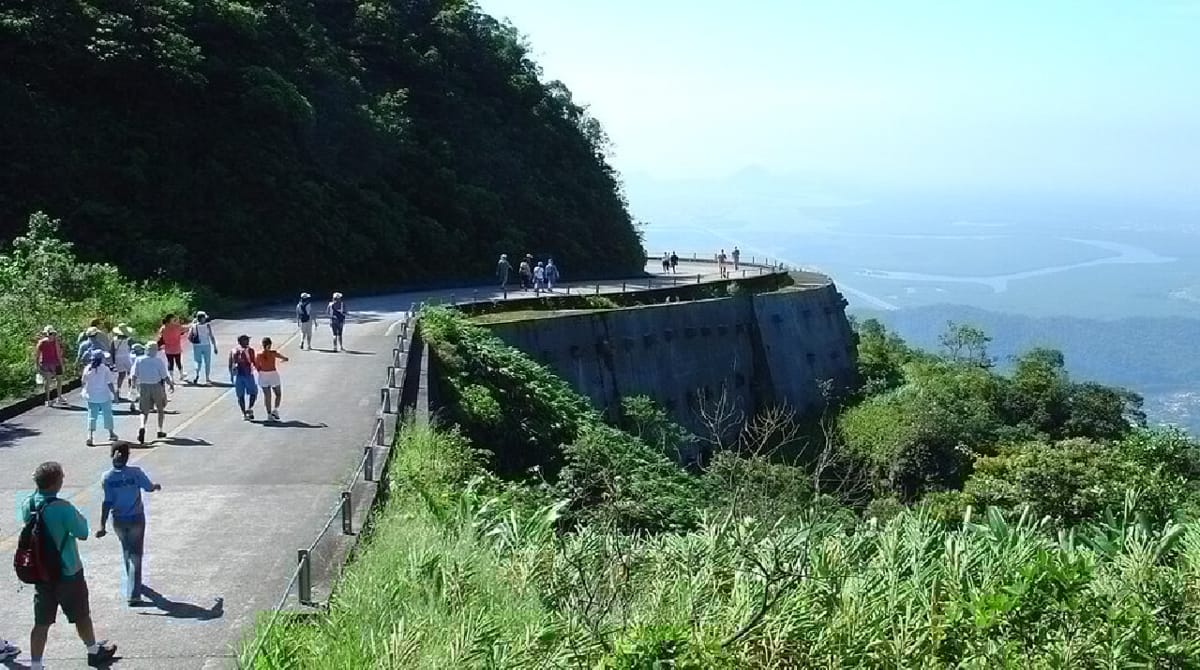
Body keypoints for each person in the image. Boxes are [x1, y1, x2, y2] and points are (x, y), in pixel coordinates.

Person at [22, 461, 119, 669]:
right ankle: (94, 652)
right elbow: (82, 532)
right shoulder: (63, 508)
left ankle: (36, 664)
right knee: (81, 615)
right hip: (68, 572)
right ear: (55, 483)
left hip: (41, 573)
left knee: (41, 622)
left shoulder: (28, 504)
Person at [97, 441, 162, 606]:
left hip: (118, 520)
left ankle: (133, 580)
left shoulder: (107, 477)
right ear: (127, 456)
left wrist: (102, 525)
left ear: (112, 455)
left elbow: (107, 502)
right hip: (136, 518)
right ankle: (134, 593)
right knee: (136, 554)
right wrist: (155, 486)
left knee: (126, 549)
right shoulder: (136, 473)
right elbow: (148, 487)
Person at [131, 341, 174, 444]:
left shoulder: (139, 360)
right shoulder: (158, 361)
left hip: (143, 386)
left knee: (143, 411)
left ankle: (142, 426)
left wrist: (133, 386)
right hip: (156, 386)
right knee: (160, 408)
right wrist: (170, 384)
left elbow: (134, 375)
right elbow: (164, 376)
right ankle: (160, 430)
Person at [81, 350, 119, 447]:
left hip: (91, 396)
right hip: (104, 395)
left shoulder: (88, 368)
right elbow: (109, 383)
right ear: (101, 359)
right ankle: (111, 433)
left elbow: (83, 381)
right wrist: (114, 394)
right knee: (107, 414)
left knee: (92, 416)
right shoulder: (105, 369)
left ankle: (90, 436)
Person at [256, 337, 289, 421]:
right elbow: (285, 358)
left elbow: (256, 365)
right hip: (273, 375)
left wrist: (260, 370)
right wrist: (284, 360)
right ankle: (275, 410)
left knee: (267, 396)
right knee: (278, 394)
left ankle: (269, 414)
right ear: (269, 345)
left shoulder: (259, 354)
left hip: (263, 375)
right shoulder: (273, 353)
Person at [34, 326, 66, 407]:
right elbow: (58, 354)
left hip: (44, 364)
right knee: (59, 380)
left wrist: (37, 365)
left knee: (47, 382)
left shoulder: (41, 342)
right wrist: (62, 364)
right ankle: (59, 397)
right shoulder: (55, 341)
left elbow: (37, 355)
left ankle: (48, 400)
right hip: (55, 363)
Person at [229, 335, 258, 420]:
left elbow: (230, 364)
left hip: (238, 376)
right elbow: (254, 362)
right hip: (248, 374)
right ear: (241, 341)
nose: (248, 341)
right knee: (253, 393)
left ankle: (245, 413)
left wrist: (231, 375)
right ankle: (249, 408)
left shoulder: (233, 350)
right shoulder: (250, 350)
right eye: (246, 340)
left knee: (240, 395)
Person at [187, 311, 218, 384]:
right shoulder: (207, 326)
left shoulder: (194, 326)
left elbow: (189, 337)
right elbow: (211, 337)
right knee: (207, 362)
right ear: (202, 318)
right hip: (206, 345)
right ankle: (207, 378)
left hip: (197, 346)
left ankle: (197, 374)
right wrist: (215, 347)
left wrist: (193, 342)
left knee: (197, 361)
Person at [157, 314, 185, 381]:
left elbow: (160, 336)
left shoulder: (163, 328)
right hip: (176, 348)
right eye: (174, 319)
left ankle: (171, 378)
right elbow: (184, 329)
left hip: (168, 349)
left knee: (170, 362)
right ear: (170, 319)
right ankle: (181, 374)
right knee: (178, 362)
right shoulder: (176, 326)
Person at [110, 324, 135, 401]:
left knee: (121, 375)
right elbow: (132, 348)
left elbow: (112, 351)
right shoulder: (128, 340)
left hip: (118, 358)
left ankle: (118, 391)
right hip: (127, 357)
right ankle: (130, 392)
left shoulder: (114, 340)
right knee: (131, 374)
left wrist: (112, 361)